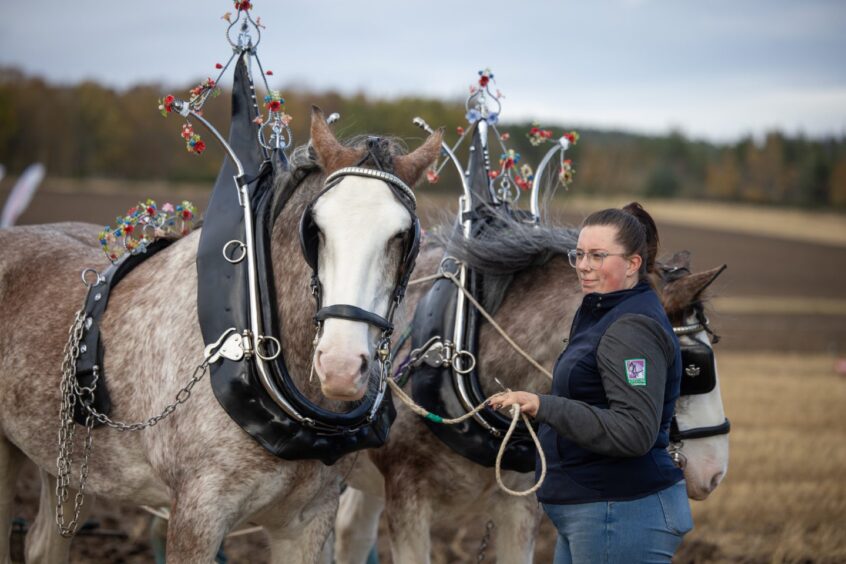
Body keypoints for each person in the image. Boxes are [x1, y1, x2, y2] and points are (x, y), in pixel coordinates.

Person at [489, 202, 692, 563]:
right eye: (579, 254)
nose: (583, 266)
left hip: (620, 514)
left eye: (598, 256)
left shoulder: (632, 330)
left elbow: (633, 431)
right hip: (593, 512)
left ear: (633, 264)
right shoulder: (602, 311)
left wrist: (543, 405)